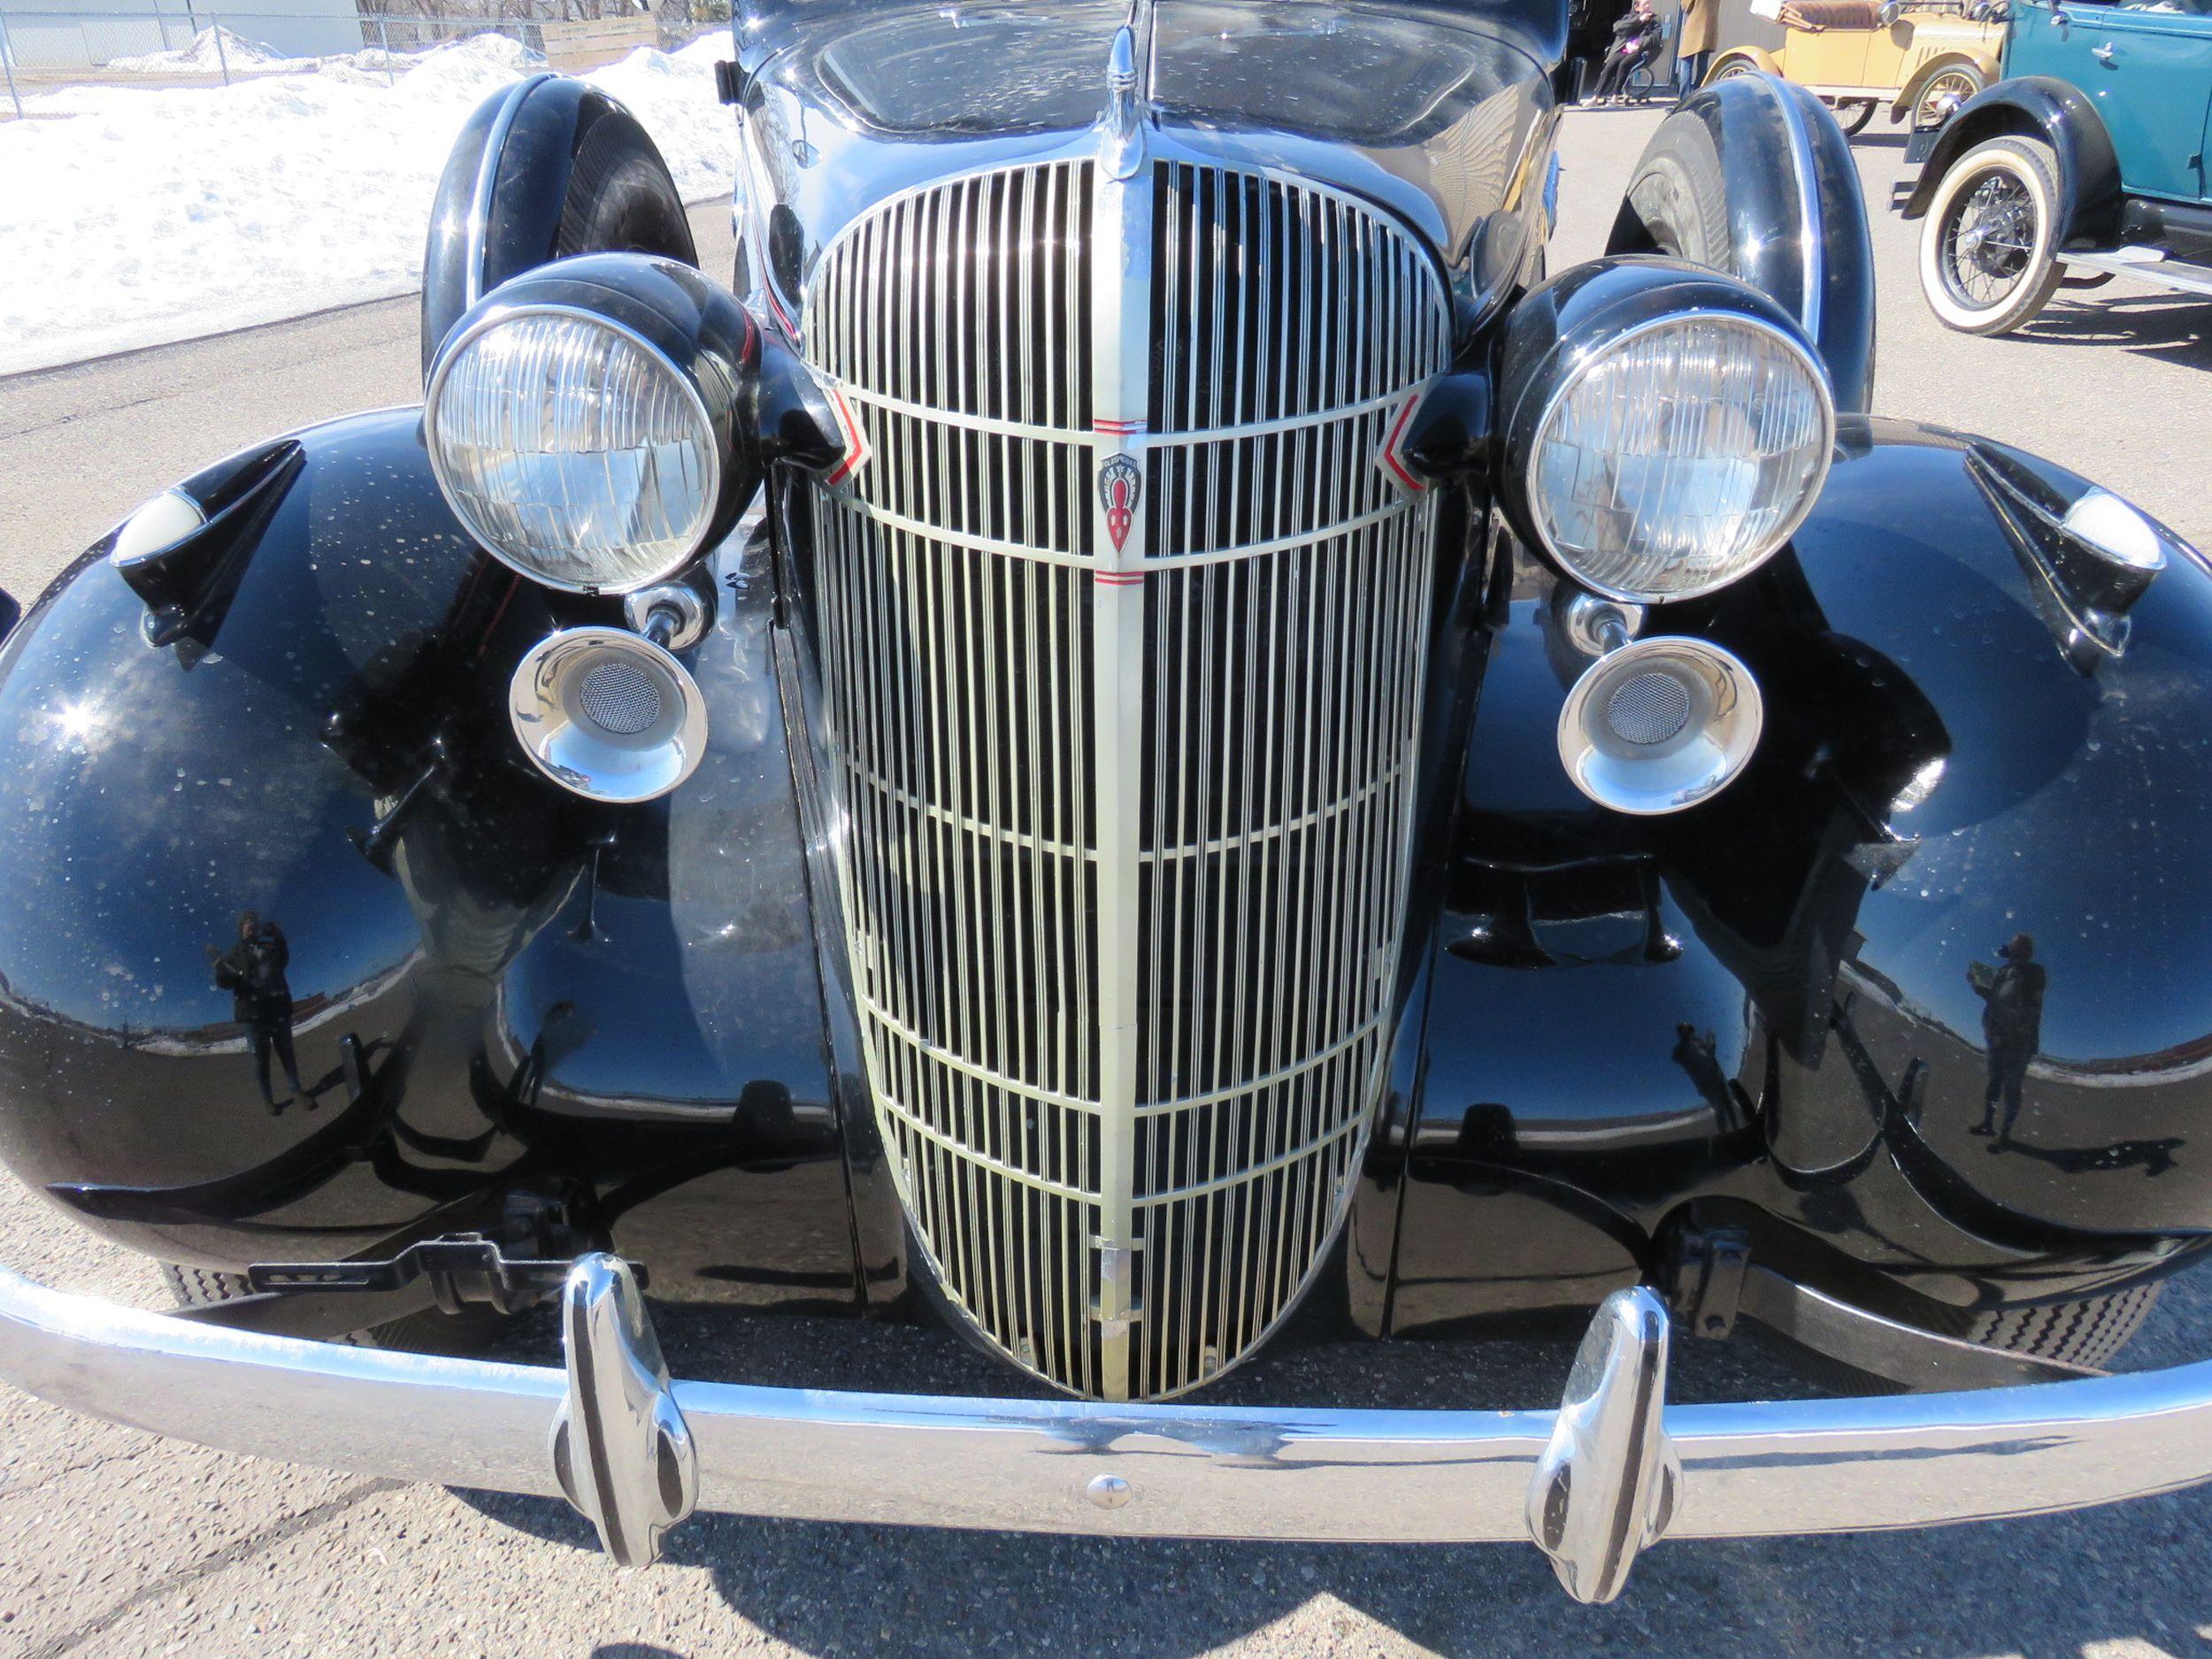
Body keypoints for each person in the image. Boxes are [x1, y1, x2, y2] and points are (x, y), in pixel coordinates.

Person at [210, 911, 304, 1114]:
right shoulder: (234, 955)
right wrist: (219, 967)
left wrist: (278, 937)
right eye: (247, 921)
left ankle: (297, 1092)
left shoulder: (268, 947)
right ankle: (268, 1099)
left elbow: (282, 961)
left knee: (287, 1053)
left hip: (276, 1007)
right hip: (252, 1015)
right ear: (241, 928)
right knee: (260, 1060)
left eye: (254, 921)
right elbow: (227, 982)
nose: (251, 923)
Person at [1968, 933, 2046, 1146]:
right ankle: (1987, 1123)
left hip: (2018, 1043)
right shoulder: (2003, 971)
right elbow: (1996, 999)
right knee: (1994, 1082)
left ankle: (2005, 1135)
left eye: (2016, 945)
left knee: (2012, 1088)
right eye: (2011, 944)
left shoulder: (2034, 972)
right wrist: (1977, 984)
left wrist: (2016, 962)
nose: (2010, 947)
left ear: (2026, 951)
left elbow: (2027, 1006)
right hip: (1996, 1037)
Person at [1591, 0, 1663, 104]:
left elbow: (1655, 38)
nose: (1648, 6)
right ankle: (1596, 97)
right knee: (1610, 65)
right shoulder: (1630, 17)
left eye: (1649, 4)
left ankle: (1615, 96)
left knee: (1624, 64)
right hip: (1623, 49)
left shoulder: (1654, 19)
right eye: (1645, 4)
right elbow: (1617, 28)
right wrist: (1639, 19)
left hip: (1640, 51)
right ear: (1637, 7)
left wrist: (1638, 45)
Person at [1676, 0, 1718, 97]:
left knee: (1686, 62)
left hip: (1695, 26)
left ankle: (1684, 98)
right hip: (1710, 29)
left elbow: (1686, 5)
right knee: (1703, 65)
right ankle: (1698, 95)